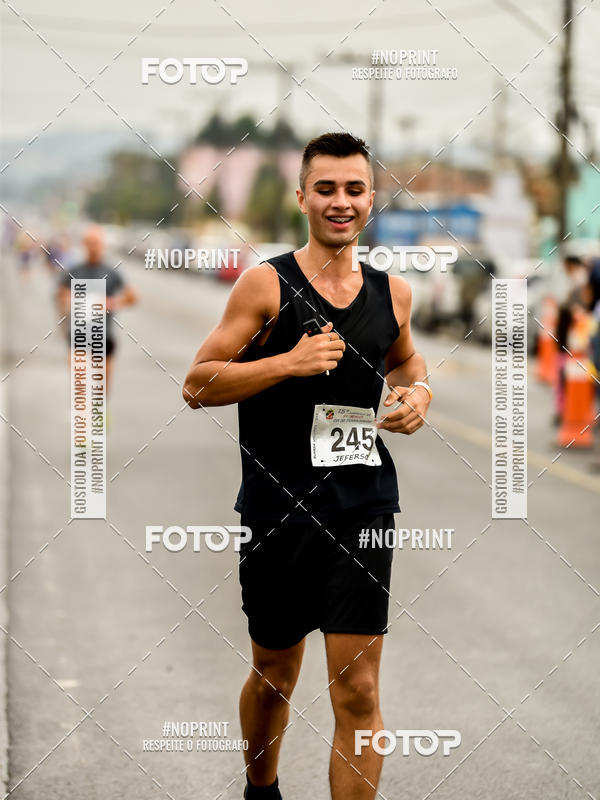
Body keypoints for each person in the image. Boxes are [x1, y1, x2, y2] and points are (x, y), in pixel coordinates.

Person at [183, 132, 432, 800]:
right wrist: (287, 363)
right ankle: (260, 790)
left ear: (371, 200)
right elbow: (198, 382)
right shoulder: (267, 284)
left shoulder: (394, 294)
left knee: (358, 688)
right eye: (326, 188)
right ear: (302, 197)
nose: (340, 201)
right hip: (276, 510)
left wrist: (418, 394)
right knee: (274, 674)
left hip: (363, 509)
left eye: (354, 189)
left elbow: (406, 361)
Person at [57, 225, 138, 396]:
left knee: (101, 391)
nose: (93, 247)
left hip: (103, 336)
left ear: (103, 245)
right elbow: (61, 295)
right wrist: (70, 304)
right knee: (80, 388)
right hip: (78, 335)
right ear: (84, 244)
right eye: (90, 243)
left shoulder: (111, 273)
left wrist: (111, 303)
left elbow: (132, 297)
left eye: (97, 243)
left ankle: (99, 416)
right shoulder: (74, 271)